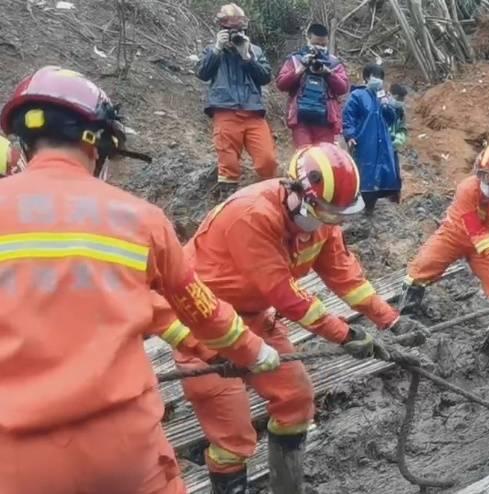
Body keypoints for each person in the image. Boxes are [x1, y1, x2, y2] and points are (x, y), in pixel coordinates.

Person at [0, 66, 280, 494]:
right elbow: (202, 310)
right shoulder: (139, 218)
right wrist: (255, 352)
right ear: (98, 145)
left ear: (24, 142)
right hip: (124, 451)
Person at [159, 143, 421, 493]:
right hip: (204, 324)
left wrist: (390, 320)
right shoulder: (251, 216)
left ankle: (287, 487)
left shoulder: (323, 222)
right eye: (323, 211)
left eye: (336, 214)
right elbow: (286, 295)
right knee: (233, 437)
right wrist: (345, 336)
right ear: (294, 189)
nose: (328, 222)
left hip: (252, 318)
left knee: (296, 400)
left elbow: (346, 278)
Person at [401, 143, 489, 315]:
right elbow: (475, 230)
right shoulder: (467, 189)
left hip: (488, 244)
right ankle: (406, 314)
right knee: (421, 268)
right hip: (454, 235)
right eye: (485, 175)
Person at [195, 3, 277, 199]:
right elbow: (202, 73)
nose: (235, 34)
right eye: (230, 30)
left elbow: (266, 77)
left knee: (267, 160)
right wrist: (217, 49)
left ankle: (268, 198)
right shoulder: (212, 50)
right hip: (225, 110)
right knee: (228, 162)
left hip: (253, 111)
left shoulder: (254, 50)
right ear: (221, 29)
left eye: (239, 29)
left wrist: (247, 57)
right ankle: (227, 201)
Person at [276, 23, 350, 148]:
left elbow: (343, 88)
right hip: (300, 118)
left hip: (326, 120)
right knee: (305, 156)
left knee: (325, 158)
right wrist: (300, 69)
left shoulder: (333, 63)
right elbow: (281, 84)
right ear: (308, 39)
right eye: (316, 43)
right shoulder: (296, 59)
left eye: (323, 45)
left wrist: (328, 73)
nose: (320, 48)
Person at [343, 64, 401, 214]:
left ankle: (371, 208)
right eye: (375, 77)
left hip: (381, 141)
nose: (378, 81)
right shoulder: (357, 96)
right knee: (364, 172)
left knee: (381, 172)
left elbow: (391, 119)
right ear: (367, 78)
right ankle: (357, 205)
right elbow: (349, 116)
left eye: (381, 78)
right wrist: (350, 135)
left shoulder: (382, 97)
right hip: (365, 140)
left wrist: (387, 105)